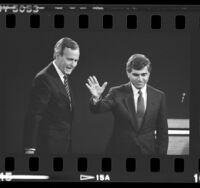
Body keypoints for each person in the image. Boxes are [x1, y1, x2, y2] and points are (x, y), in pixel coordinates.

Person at [86, 54, 168, 155]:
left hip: (148, 152)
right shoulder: (116, 92)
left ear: (149, 73)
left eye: (144, 74)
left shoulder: (159, 96)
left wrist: (162, 155)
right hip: (120, 152)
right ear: (128, 73)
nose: (140, 79)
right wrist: (96, 98)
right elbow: (98, 109)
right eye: (136, 75)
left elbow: (163, 131)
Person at [24, 37, 80, 154]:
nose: (73, 64)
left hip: (63, 146)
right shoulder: (44, 78)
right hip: (48, 148)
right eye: (70, 59)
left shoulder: (63, 76)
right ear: (57, 55)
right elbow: (34, 115)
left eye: (76, 60)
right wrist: (30, 148)